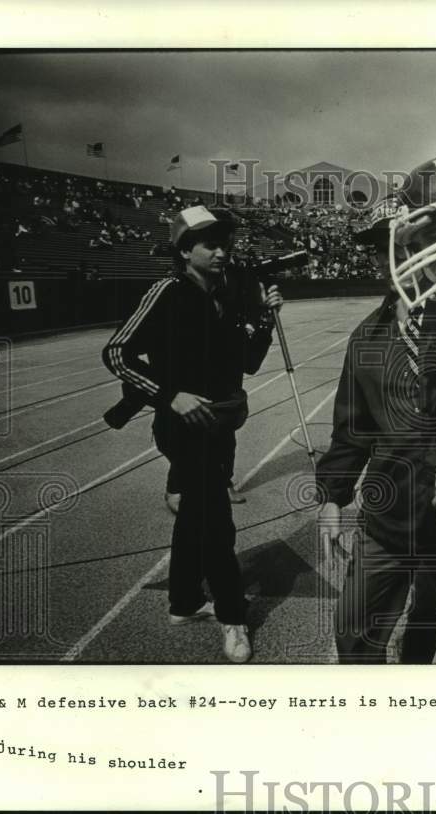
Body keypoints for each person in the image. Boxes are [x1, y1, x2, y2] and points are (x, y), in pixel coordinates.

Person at [314, 158, 436, 663]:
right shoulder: (370, 334)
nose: (391, 258)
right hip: (388, 519)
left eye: (402, 245)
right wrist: (334, 495)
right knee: (354, 634)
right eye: (384, 249)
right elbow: (352, 426)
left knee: (429, 643)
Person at [101, 205, 283, 663]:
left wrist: (263, 318)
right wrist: (170, 395)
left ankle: (183, 602)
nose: (223, 252)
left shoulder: (227, 294)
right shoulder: (165, 291)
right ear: (184, 251)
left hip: (220, 424)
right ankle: (233, 617)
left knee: (195, 515)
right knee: (216, 521)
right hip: (182, 427)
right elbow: (116, 353)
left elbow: (249, 363)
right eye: (211, 244)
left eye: (226, 243)